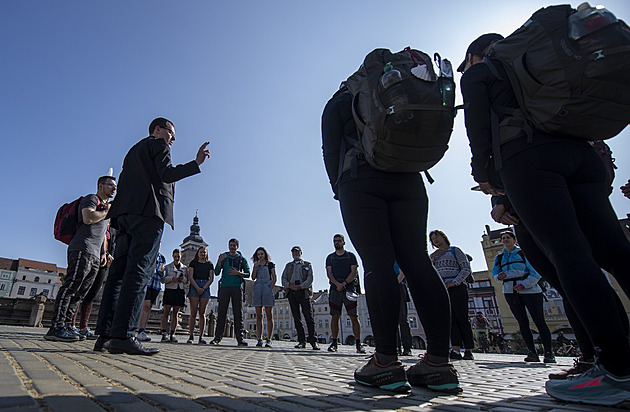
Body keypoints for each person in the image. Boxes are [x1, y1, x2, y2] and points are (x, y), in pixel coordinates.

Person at [460, 32, 630, 405]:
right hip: (582, 157)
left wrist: (486, 176)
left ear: (474, 55)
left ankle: (619, 370)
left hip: (530, 159)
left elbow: (477, 127)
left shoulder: (480, 72)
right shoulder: (538, 65)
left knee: (568, 253)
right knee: (616, 250)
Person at [322, 87, 459, 393]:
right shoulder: (397, 92)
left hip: (360, 178)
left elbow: (331, 150)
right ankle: (439, 363)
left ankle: (385, 363)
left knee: (377, 262)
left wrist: (339, 186)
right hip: (409, 178)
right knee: (418, 261)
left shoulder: (340, 101)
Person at [94, 117, 210, 356]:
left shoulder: (133, 150)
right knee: (139, 271)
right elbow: (167, 174)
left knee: (117, 275)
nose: (173, 138)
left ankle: (105, 334)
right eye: (171, 133)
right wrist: (196, 163)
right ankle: (124, 335)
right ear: (158, 130)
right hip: (148, 214)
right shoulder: (159, 144)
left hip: (124, 216)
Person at [45, 175, 116, 342]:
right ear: (100, 186)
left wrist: (103, 254)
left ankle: (68, 325)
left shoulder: (105, 207)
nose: (114, 189)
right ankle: (56, 327)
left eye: (115, 187)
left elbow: (103, 236)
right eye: (111, 185)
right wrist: (107, 211)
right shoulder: (91, 199)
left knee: (80, 293)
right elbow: (88, 218)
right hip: (81, 249)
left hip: (94, 255)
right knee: (70, 287)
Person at [492, 231, 555, 363]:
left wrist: (524, 285)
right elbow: (495, 273)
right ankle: (532, 352)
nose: (505, 240)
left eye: (508, 237)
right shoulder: (499, 257)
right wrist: (499, 277)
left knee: (539, 320)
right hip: (510, 291)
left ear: (515, 239)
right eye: (503, 238)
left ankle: (549, 352)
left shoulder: (524, 253)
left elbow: (536, 272)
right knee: (522, 322)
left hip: (531, 290)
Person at [429, 230, 475, 361]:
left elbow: (466, 268)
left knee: (462, 318)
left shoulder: (455, 251)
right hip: (442, 289)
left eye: (437, 236)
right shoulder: (433, 256)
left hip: (457, 287)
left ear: (444, 237)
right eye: (432, 239)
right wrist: (433, 257)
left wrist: (455, 282)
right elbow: (428, 270)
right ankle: (455, 349)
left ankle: (468, 349)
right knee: (451, 320)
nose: (435, 240)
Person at [70, 225, 116, 339]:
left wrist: (110, 255)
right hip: (91, 256)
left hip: (104, 263)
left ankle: (83, 327)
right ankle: (71, 324)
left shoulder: (114, 229)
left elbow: (113, 244)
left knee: (91, 294)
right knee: (79, 292)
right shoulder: (99, 222)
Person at [325, 234, 366, 354]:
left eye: (339, 241)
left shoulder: (350, 256)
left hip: (349, 288)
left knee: (354, 316)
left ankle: (358, 343)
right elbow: (329, 273)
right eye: (335, 241)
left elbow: (354, 271)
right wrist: (337, 284)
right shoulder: (330, 257)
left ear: (343, 242)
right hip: (334, 289)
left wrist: (344, 283)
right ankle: (334, 342)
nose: (336, 242)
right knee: (335, 316)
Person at [210, 238, 250, 346]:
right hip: (225, 287)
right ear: (228, 246)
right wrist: (219, 261)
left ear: (237, 246)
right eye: (230, 245)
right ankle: (217, 337)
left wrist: (237, 273)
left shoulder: (242, 259)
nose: (232, 247)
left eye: (234, 245)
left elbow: (248, 274)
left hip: (237, 287)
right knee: (222, 312)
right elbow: (217, 272)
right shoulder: (224, 257)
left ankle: (240, 338)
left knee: (238, 313)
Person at [281, 246, 320, 350]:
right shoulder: (288, 265)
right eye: (293, 252)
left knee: (308, 316)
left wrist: (301, 286)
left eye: (297, 252)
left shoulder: (307, 264)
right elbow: (283, 278)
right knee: (296, 318)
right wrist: (289, 285)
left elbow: (310, 278)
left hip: (304, 292)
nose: (295, 253)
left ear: (301, 253)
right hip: (292, 291)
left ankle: (313, 340)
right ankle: (301, 341)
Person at [136, 250, 166, 342]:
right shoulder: (148, 252)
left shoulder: (162, 258)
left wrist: (160, 270)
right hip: (147, 282)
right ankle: (140, 330)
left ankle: (143, 329)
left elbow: (162, 274)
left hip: (156, 285)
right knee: (146, 305)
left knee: (149, 307)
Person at [187, 246, 214, 344]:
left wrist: (203, 288)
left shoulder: (209, 264)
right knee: (193, 313)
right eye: (201, 252)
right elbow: (190, 276)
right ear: (198, 253)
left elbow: (211, 278)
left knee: (202, 313)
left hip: (205, 285)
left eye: (204, 252)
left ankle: (201, 336)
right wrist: (197, 288)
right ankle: (191, 335)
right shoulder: (193, 263)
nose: (203, 254)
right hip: (195, 284)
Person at [251, 247, 276, 347]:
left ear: (265, 254)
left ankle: (269, 339)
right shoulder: (256, 265)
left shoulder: (270, 264)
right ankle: (259, 338)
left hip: (267, 288)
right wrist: (255, 267)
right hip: (258, 288)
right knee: (259, 315)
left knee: (269, 314)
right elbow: (253, 278)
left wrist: (270, 287)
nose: (260, 256)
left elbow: (274, 277)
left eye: (261, 254)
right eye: (258, 254)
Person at [160, 248, 187, 343]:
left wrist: (181, 279)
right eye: (175, 256)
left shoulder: (184, 268)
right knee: (166, 311)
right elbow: (162, 280)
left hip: (179, 290)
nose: (176, 258)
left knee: (176, 313)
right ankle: (164, 333)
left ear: (181, 256)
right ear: (173, 256)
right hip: (170, 290)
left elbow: (186, 281)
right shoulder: (167, 267)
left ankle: (173, 333)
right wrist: (172, 278)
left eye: (178, 256)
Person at [393, 262, 413, 357]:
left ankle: (407, 347)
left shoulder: (397, 256)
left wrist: (396, 282)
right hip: (387, 288)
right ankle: (396, 346)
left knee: (402, 318)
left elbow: (403, 271)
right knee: (392, 320)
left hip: (399, 286)